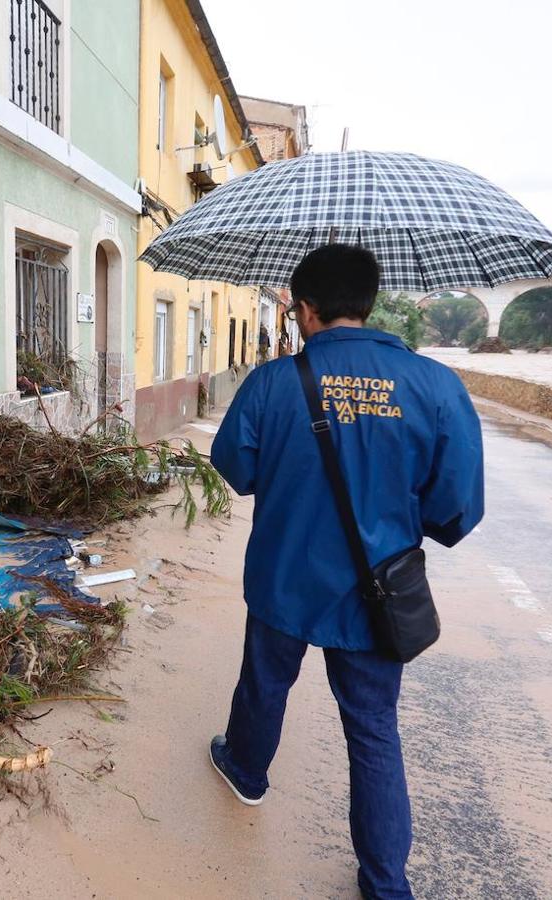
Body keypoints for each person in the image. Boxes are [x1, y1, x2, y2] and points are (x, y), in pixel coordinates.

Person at [208, 244, 484, 899]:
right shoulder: (436, 385)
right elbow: (456, 509)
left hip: (284, 581)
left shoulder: (274, 382)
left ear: (304, 310)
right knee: (373, 728)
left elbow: (236, 469)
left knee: (265, 683)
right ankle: (386, 884)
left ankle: (246, 771)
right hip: (376, 591)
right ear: (368, 303)